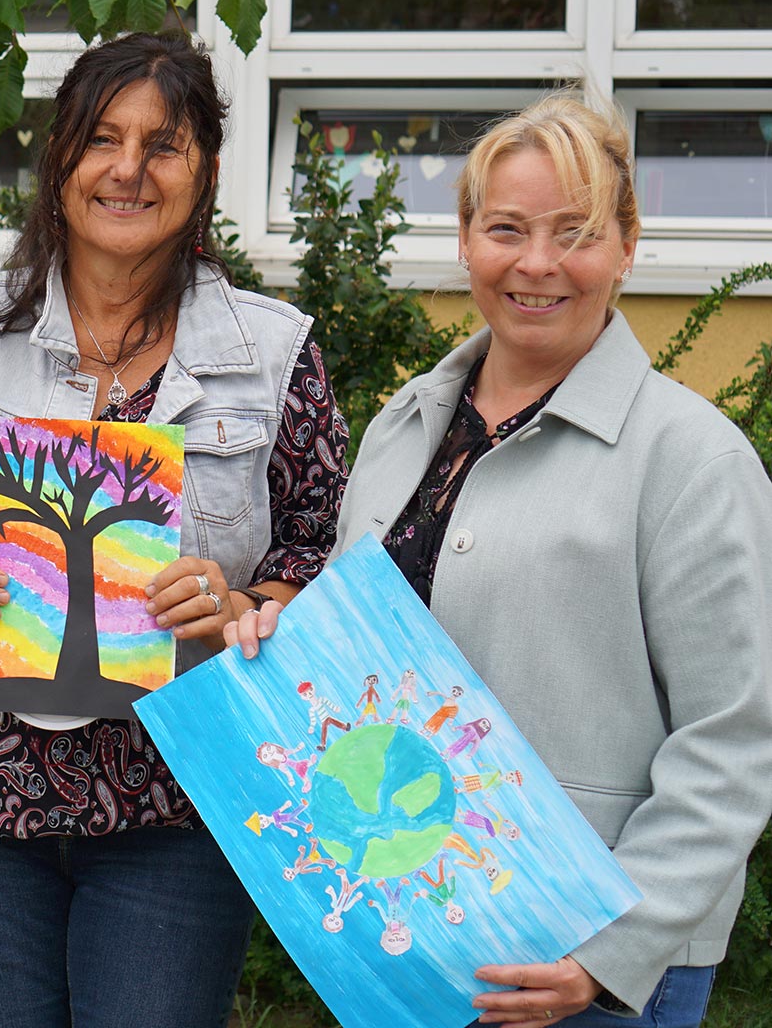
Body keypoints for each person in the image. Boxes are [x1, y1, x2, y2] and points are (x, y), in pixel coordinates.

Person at [0, 32, 349, 1028]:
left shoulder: (274, 355)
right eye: (102, 138)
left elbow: (319, 561)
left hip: (181, 799)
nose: (128, 169)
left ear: (205, 174)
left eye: (164, 146)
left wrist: (243, 605)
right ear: (59, 158)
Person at [230, 92, 772, 1028]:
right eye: (508, 228)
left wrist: (609, 952)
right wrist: (287, 639)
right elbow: (371, 661)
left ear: (627, 246)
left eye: (577, 233)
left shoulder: (693, 461)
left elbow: (734, 740)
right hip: (408, 924)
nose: (538, 263)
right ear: (466, 238)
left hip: (580, 964)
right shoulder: (404, 427)